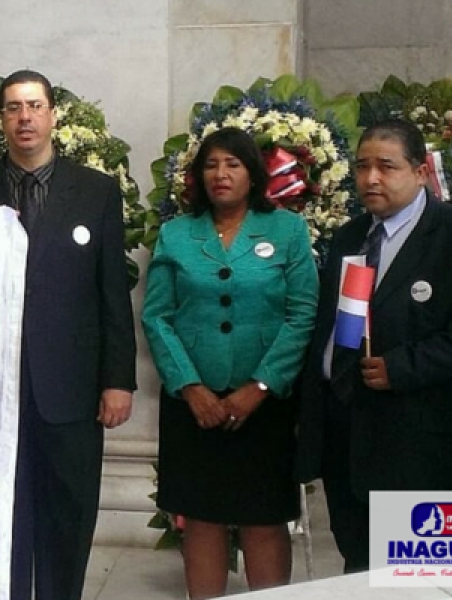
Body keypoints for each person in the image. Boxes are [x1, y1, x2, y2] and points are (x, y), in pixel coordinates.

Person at [0, 69, 137, 600]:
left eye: (34, 106)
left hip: (68, 392)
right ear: (0, 118)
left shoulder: (95, 192)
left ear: (53, 115)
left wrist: (118, 380)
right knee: (0, 515)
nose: (24, 117)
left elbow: (111, 293)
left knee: (67, 514)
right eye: (12, 107)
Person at [296, 119, 452, 574]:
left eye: (386, 166)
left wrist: (404, 367)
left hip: (433, 452)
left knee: (423, 580)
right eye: (361, 166)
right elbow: (334, 329)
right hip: (354, 447)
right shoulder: (350, 237)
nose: (371, 178)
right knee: (361, 568)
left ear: (420, 172)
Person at [142, 127, 318, 599]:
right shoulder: (178, 234)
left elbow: (303, 313)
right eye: (212, 165)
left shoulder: (287, 229)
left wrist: (260, 386)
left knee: (263, 518)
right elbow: (157, 315)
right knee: (202, 518)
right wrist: (190, 386)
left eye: (233, 164)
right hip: (193, 403)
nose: (221, 174)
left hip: (264, 403)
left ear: (253, 173)